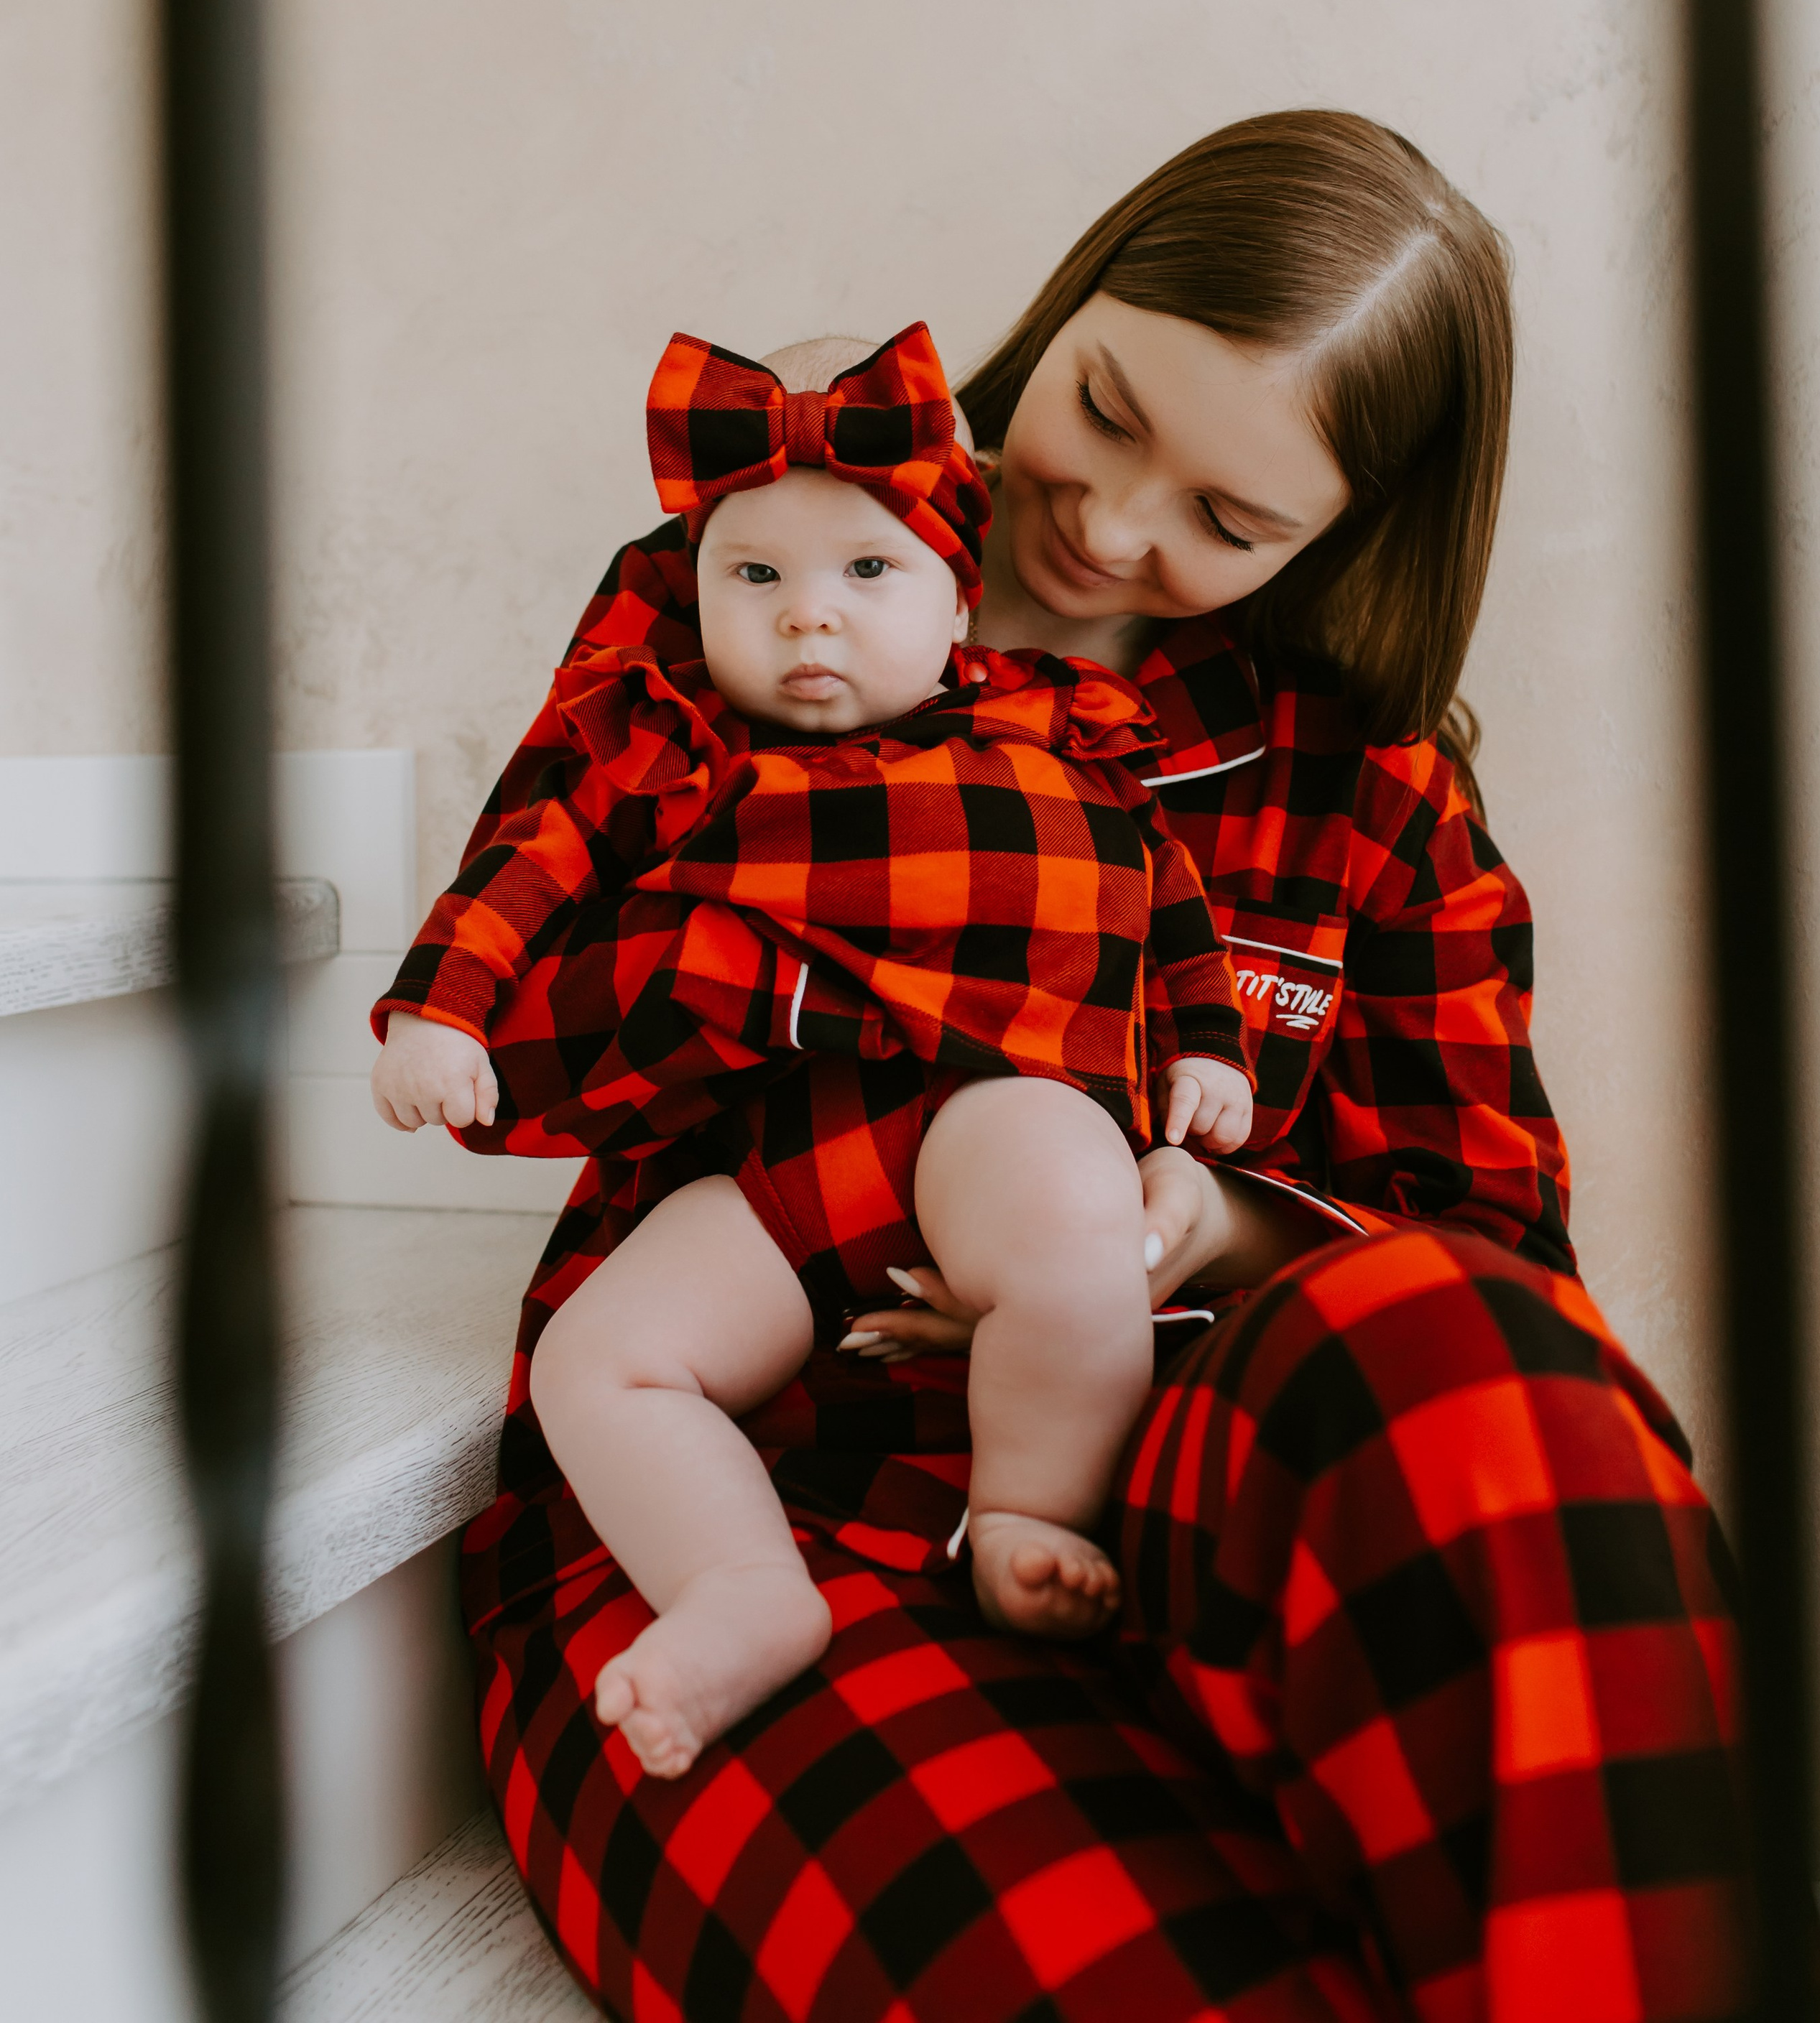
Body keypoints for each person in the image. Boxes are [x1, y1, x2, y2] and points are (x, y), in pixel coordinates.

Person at [372, 112, 1742, 2018]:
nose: (1108, 527)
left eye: (1231, 522)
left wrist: (1209, 1225)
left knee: (1488, 1372)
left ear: (1341, 543)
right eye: (1103, 410)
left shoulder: (1370, 802)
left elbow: (1507, 1259)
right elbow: (527, 1049)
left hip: (1201, 1487)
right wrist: (887, 1018)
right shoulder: (770, 591)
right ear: (1071, 303)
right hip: (774, 1505)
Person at [376, 320, 1256, 1778]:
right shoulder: (669, 751)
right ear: (697, 591)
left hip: (989, 1107)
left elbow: (1167, 900)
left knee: (1076, 1233)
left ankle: (1032, 1505)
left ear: (954, 598)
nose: (807, 620)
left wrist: (1207, 1051)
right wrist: (440, 1009)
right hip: (785, 1165)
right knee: (604, 1358)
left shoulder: (1059, 728)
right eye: (756, 577)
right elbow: (528, 860)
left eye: (865, 573)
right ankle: (739, 1589)